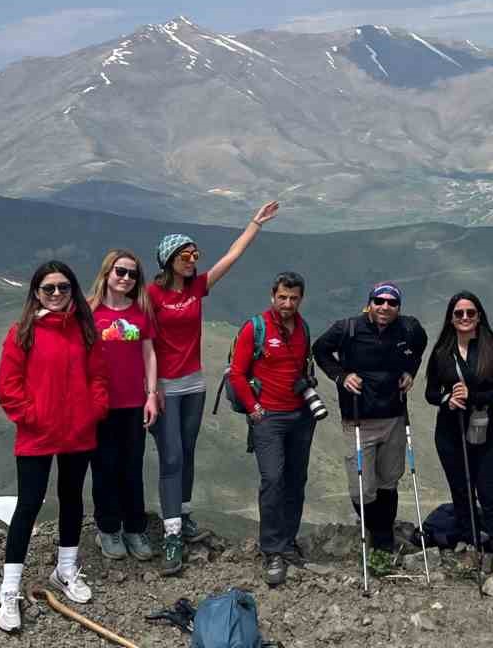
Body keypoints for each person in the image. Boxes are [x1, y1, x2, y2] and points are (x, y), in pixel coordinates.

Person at [148, 200, 279, 575]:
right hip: (164, 388)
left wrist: (255, 224)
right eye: (186, 254)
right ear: (169, 259)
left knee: (186, 453)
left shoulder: (198, 288)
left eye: (195, 253)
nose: (193, 259)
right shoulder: (152, 295)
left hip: (194, 385)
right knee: (170, 457)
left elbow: (232, 257)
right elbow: (132, 328)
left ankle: (183, 516)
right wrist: (150, 387)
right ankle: (171, 536)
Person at [0, 261, 109, 634]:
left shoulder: (85, 331)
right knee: (28, 504)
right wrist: (32, 416)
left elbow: (98, 378)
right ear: (36, 293)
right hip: (37, 434)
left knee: (72, 498)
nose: (57, 294)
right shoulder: (22, 332)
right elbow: (8, 386)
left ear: (73, 290)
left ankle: (65, 570)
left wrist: (93, 411)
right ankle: (9, 590)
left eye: (63, 287)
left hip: (78, 432)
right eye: (49, 289)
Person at [312, 280, 427, 562]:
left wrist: (410, 371)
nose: (385, 307)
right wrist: (340, 375)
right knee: (362, 487)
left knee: (389, 481)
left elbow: (420, 346)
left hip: (394, 417)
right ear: (370, 303)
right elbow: (320, 350)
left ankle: (383, 538)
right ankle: (374, 529)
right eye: (379, 301)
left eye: (392, 303)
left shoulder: (409, 328)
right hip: (358, 419)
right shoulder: (348, 328)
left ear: (398, 307)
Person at [230, 270, 317, 588]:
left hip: (300, 416)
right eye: (283, 297)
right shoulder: (256, 327)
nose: (288, 303)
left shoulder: (303, 327)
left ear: (300, 299)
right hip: (269, 418)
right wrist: (254, 409)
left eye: (293, 298)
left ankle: (288, 542)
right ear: (272, 295)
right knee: (273, 480)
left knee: (296, 481)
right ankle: (271, 551)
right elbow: (237, 374)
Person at [423, 291, 493, 564]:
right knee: (461, 489)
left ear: (479, 316)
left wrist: (474, 396)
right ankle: (469, 540)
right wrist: (447, 399)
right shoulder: (441, 353)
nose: (465, 318)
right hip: (450, 431)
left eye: (470, 313)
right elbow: (430, 393)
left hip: (484, 429)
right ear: (450, 319)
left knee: (489, 490)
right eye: (459, 313)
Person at [86, 249, 160, 564]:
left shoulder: (141, 311)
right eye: (121, 271)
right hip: (100, 404)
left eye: (132, 274)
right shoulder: (89, 312)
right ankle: (107, 528)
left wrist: (152, 394)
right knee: (103, 468)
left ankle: (134, 528)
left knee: (131, 467)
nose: (126, 278)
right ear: (107, 272)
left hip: (132, 403)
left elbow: (149, 354)